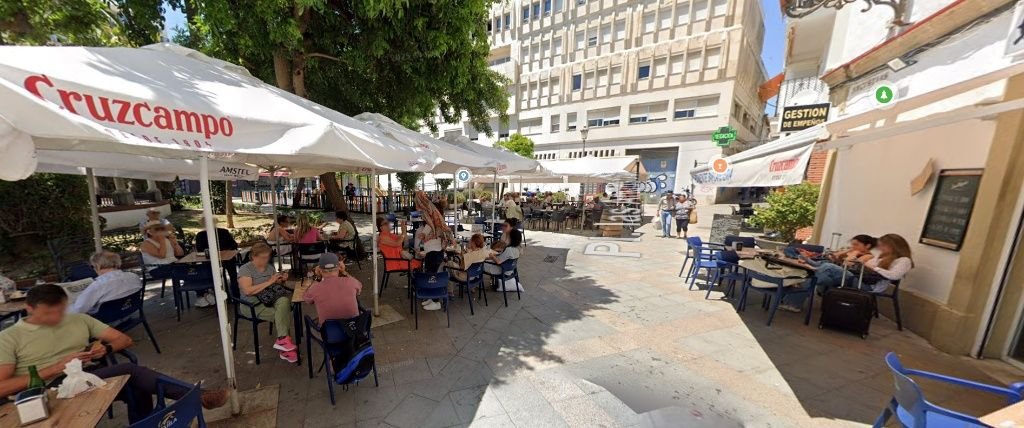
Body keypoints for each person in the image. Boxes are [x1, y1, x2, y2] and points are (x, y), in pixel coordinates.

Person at [0, 284, 228, 423]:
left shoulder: (77, 319)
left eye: (61, 310)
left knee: (136, 383)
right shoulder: (10, 337)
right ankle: (198, 396)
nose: (56, 318)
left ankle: (147, 422)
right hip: (47, 389)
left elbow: (124, 340)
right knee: (132, 373)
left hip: (91, 375)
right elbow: (3, 387)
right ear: (29, 309)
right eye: (48, 313)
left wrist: (104, 349)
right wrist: (57, 367)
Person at [778, 235, 879, 312]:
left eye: (856, 245)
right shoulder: (855, 252)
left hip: (853, 280)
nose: (853, 247)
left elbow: (847, 264)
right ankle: (794, 303)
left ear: (868, 246)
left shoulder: (868, 256)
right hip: (840, 277)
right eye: (852, 244)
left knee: (827, 267)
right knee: (819, 276)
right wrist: (846, 251)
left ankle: (809, 273)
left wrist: (854, 253)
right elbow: (834, 257)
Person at [237, 243, 297, 363]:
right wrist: (270, 281)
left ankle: (283, 342)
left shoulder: (269, 268)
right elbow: (248, 291)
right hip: (252, 304)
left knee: (284, 301)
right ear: (253, 256)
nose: (266, 260)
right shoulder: (246, 269)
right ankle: (285, 347)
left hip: (270, 298)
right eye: (263, 257)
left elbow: (274, 286)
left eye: (268, 257)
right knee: (282, 315)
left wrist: (281, 280)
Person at [69, 251, 143, 315]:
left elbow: (78, 309)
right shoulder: (133, 276)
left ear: (97, 266)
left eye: (92, 266)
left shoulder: (99, 285)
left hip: (105, 321)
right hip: (129, 313)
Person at [304, 253, 363, 323]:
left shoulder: (315, 288)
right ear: (339, 267)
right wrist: (344, 272)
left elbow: (306, 298)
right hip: (353, 330)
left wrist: (317, 278)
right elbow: (359, 287)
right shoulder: (351, 282)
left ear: (319, 270)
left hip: (329, 332)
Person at [194, 218, 239, 307]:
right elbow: (234, 245)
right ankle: (234, 296)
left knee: (230, 275)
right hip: (215, 260)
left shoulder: (203, 234)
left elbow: (234, 245)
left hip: (223, 259)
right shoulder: (202, 235)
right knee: (231, 275)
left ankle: (226, 295)